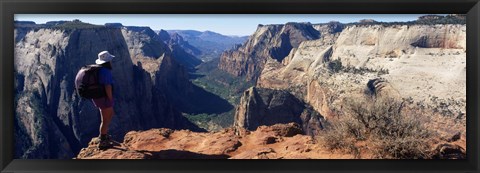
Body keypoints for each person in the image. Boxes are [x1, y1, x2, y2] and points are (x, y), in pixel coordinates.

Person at [92, 51, 116, 150]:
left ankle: (103, 135)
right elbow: (107, 86)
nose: (111, 61)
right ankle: (103, 141)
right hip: (104, 98)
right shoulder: (105, 71)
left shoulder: (99, 70)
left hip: (98, 97)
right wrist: (110, 99)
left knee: (107, 116)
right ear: (107, 61)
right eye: (110, 60)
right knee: (106, 119)